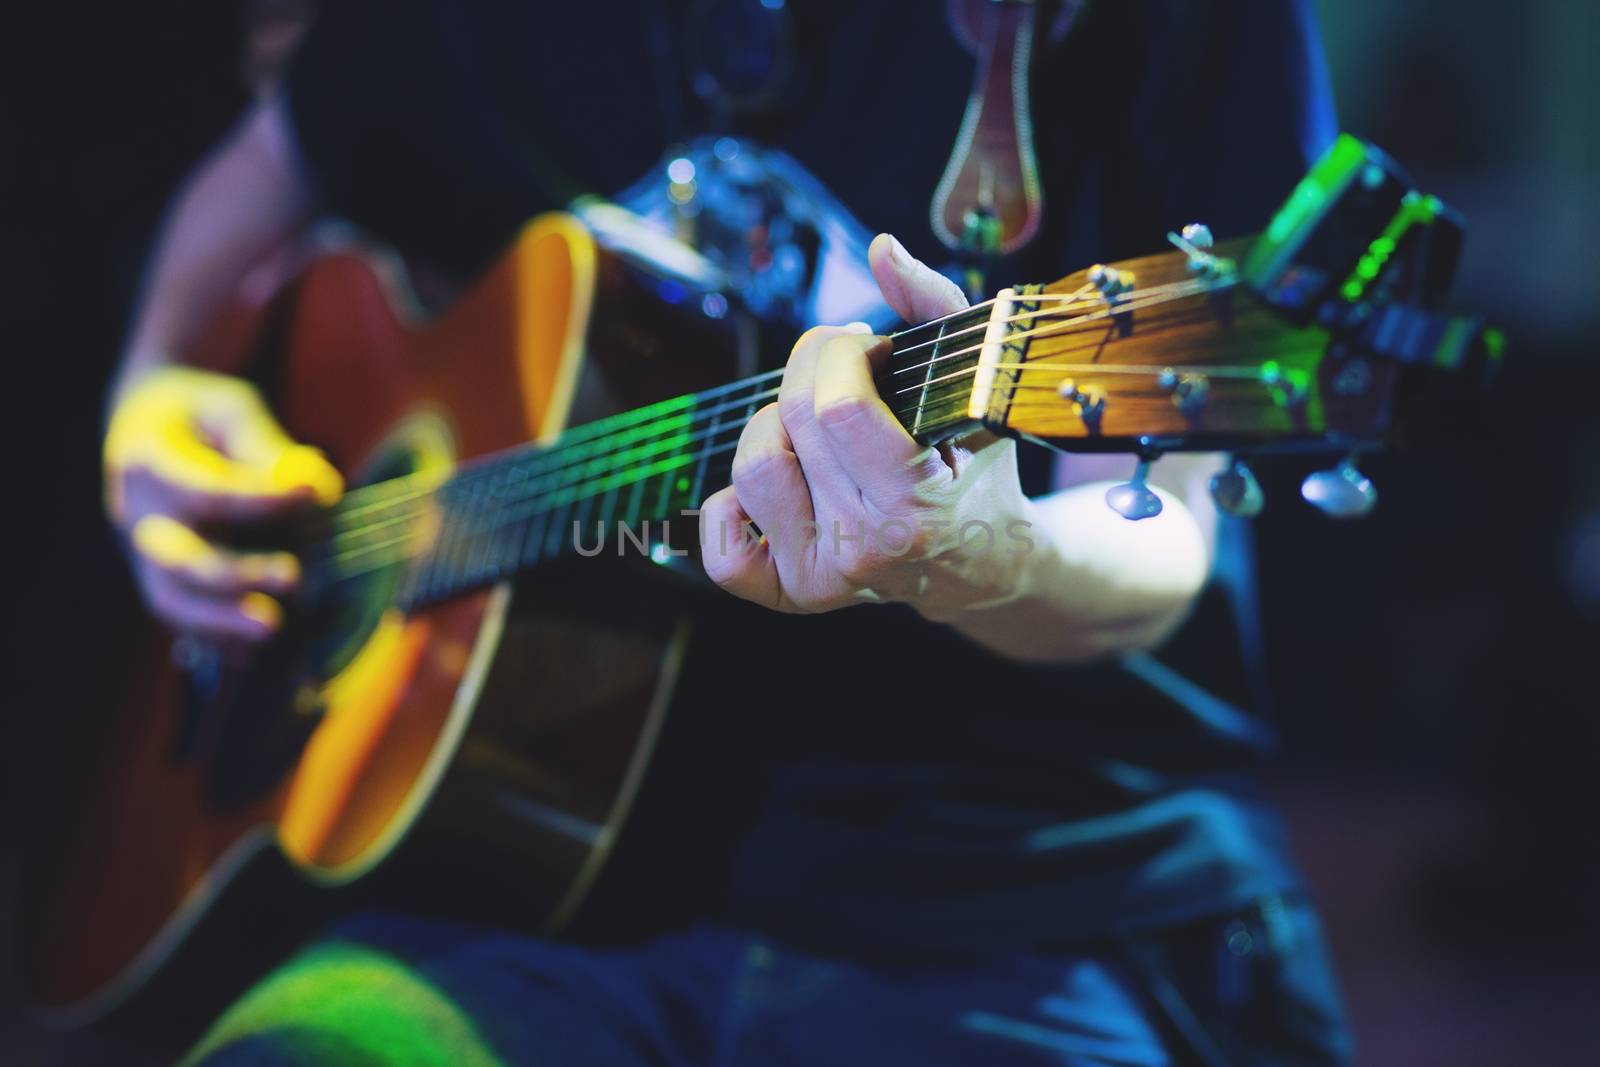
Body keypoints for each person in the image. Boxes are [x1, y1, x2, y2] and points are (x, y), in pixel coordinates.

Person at [103, 1, 1352, 1063]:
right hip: (516, 888)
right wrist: (150, 392)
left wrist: (981, 552)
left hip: (1020, 896)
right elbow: (274, 159)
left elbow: (1167, 539)